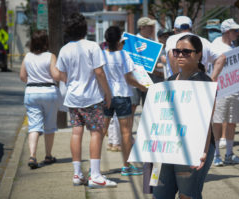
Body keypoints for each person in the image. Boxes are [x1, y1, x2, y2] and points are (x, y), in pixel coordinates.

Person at [55, 13, 117, 187]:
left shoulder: (64, 49)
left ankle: (77, 174)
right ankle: (95, 175)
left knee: (76, 132)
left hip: (73, 98)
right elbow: (99, 72)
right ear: (84, 29)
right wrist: (108, 93)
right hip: (92, 97)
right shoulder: (92, 46)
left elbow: (61, 75)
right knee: (96, 132)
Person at [152, 34, 215, 199]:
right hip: (167, 147)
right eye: (177, 51)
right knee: (159, 195)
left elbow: (207, 120)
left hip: (192, 147)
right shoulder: (170, 80)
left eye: (186, 52)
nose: (180, 55)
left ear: (199, 54)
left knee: (187, 196)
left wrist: (203, 151)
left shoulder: (204, 82)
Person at [102, 26, 147, 176]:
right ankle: (126, 167)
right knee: (126, 132)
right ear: (119, 40)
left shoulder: (101, 55)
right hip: (122, 96)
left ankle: (94, 167)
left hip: (106, 96)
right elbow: (129, 79)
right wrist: (143, 87)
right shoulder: (124, 55)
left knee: (100, 131)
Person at [20, 30, 60, 169]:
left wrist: (32, 81)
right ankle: (48, 155)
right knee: (49, 125)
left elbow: (22, 76)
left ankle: (32, 156)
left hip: (32, 92)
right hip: (49, 92)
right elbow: (55, 75)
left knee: (34, 126)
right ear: (45, 42)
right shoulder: (50, 56)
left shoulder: (28, 57)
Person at [211, 18, 239, 167]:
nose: (237, 33)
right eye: (235, 31)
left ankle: (229, 154)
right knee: (217, 122)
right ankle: (216, 154)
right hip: (220, 90)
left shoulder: (233, 46)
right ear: (227, 32)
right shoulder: (215, 46)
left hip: (234, 89)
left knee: (232, 122)